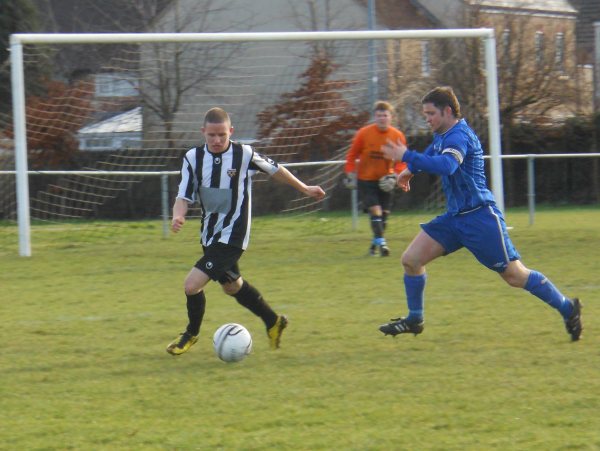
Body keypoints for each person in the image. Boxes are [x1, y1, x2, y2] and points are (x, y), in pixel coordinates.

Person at [378, 86, 583, 341]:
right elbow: (433, 152)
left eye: (430, 113)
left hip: (480, 219)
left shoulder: (459, 136)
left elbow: (447, 165)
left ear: (447, 111)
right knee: (411, 260)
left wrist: (406, 156)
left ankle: (568, 308)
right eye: (425, 114)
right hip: (455, 219)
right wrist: (409, 170)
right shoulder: (443, 135)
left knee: (515, 275)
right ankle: (415, 319)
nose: (427, 119)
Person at [166, 107, 326, 355]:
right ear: (203, 133)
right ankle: (273, 321)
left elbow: (276, 170)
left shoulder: (244, 154)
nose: (217, 140)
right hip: (210, 235)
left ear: (231, 131)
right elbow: (182, 196)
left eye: (222, 134)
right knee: (232, 286)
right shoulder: (192, 158)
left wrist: (305, 188)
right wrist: (178, 215)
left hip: (234, 235)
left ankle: (190, 334)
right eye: (212, 135)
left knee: (191, 285)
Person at [344, 101, 408, 257]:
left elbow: (402, 161)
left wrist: (395, 176)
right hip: (366, 180)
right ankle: (383, 244)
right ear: (375, 117)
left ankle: (375, 245)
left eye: (385, 115)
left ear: (391, 117)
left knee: (383, 215)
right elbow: (352, 155)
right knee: (376, 211)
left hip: (385, 181)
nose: (382, 118)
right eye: (379, 115)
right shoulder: (363, 133)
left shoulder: (397, 135)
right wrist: (351, 173)